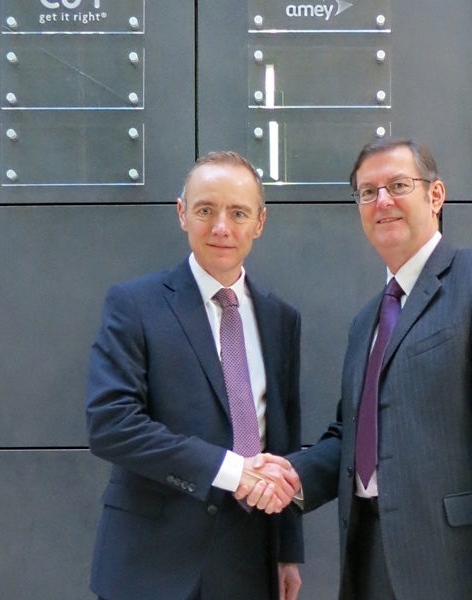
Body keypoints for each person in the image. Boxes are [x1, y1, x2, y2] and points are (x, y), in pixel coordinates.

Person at [244, 139, 472, 599]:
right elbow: (352, 437)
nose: (382, 201)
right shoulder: (366, 322)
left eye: (398, 185)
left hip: (466, 569)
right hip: (373, 564)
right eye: (367, 192)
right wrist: (290, 477)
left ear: (435, 196)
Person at [86, 151, 303, 600]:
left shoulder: (281, 319)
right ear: (182, 213)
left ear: (259, 223)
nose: (221, 227)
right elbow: (112, 426)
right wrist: (230, 471)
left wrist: (286, 553)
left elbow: (283, 441)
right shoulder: (134, 305)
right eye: (206, 210)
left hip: (248, 561)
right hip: (151, 564)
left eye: (238, 213)